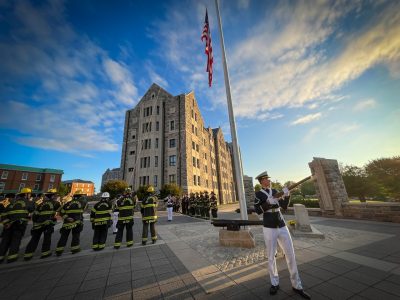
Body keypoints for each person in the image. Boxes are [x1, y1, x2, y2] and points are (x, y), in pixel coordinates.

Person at [254, 171, 311, 299]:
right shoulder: (258, 194)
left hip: (281, 224)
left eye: (268, 179)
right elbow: (257, 210)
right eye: (266, 179)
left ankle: (297, 285)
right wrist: (268, 203)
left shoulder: (275, 191)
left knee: (290, 254)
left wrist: (286, 195)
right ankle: (274, 283)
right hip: (269, 226)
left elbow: (284, 207)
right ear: (262, 181)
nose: (269, 180)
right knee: (271, 256)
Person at [24, 189, 61, 260]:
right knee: (47, 238)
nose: (56, 196)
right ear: (53, 196)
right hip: (48, 223)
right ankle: (45, 253)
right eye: (55, 195)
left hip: (38, 224)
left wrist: (35, 223)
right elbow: (60, 211)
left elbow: (35, 215)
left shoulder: (40, 204)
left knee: (34, 238)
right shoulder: (56, 203)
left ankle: (28, 255)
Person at [0, 188, 34, 263]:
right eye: (29, 194)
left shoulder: (12, 202)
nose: (30, 195)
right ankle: (12, 258)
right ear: (26, 194)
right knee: (15, 241)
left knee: (5, 241)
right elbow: (31, 210)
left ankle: (1, 257)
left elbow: (4, 214)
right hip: (19, 225)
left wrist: (6, 223)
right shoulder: (28, 202)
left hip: (8, 225)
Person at [56, 190, 87, 256]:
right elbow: (84, 209)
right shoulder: (83, 202)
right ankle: (75, 249)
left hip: (67, 222)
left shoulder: (67, 203)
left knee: (64, 236)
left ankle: (59, 251)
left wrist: (67, 218)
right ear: (81, 196)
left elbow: (61, 212)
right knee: (75, 236)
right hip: (77, 222)